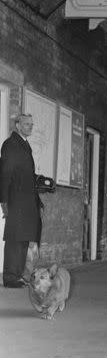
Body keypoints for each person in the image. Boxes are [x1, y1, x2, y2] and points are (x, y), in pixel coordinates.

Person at [0, 114, 43, 288]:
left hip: (27, 199)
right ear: (17, 125)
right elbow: (5, 174)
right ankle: (10, 277)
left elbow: (29, 176)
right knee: (14, 239)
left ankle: (17, 275)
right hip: (16, 198)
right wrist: (4, 200)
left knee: (24, 238)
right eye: (26, 124)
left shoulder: (24, 144)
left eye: (31, 125)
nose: (30, 127)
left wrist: (38, 201)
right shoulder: (11, 144)